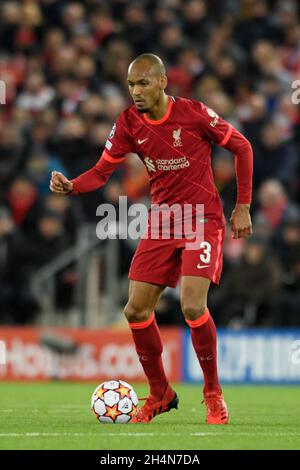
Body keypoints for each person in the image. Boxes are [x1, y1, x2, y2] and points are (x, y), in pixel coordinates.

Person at [50, 53, 253, 425]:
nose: (135, 92)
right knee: (135, 310)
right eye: (130, 85)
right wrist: (73, 186)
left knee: (192, 306)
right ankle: (161, 393)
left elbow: (242, 147)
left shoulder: (193, 113)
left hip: (201, 219)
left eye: (142, 83)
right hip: (162, 221)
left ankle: (213, 395)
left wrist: (242, 206)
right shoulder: (128, 123)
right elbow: (101, 171)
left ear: (162, 82)